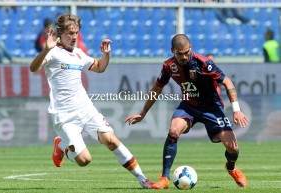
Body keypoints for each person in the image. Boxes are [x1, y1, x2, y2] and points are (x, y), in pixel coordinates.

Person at [29, 13, 155, 189]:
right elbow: (33, 68)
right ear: (60, 34)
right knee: (84, 160)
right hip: (64, 115)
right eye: (70, 33)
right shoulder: (53, 53)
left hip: (85, 108)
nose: (74, 37)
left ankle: (142, 178)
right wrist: (46, 49)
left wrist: (106, 55)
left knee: (110, 140)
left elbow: (100, 67)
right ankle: (62, 145)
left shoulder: (79, 54)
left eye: (76, 33)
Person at [125, 34, 249, 189]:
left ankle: (231, 168)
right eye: (179, 53)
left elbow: (227, 82)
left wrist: (236, 110)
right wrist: (143, 113)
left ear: (190, 48)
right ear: (172, 51)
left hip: (212, 107)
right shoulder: (169, 66)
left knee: (233, 148)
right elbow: (157, 88)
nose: (183, 57)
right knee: (173, 129)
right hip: (188, 105)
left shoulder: (204, 63)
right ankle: (164, 178)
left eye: (186, 52)